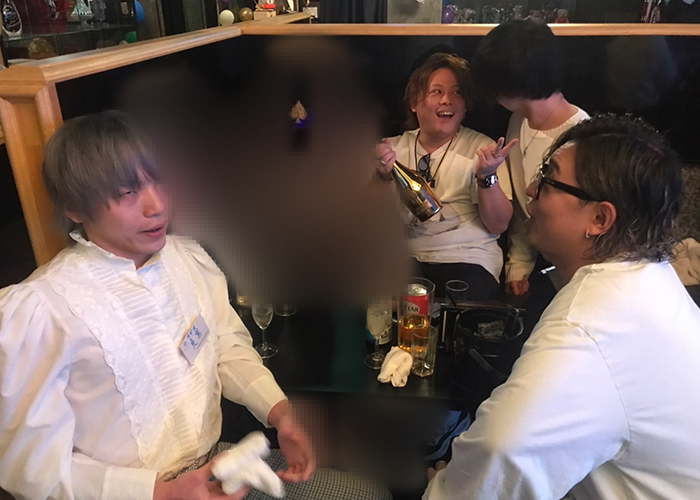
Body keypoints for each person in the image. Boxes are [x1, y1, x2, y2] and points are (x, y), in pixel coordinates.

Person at [0, 111, 390, 500]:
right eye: (127, 192)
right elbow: (33, 468)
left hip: (217, 470)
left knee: (368, 493)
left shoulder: (185, 258)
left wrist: (281, 412)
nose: (156, 206)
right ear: (75, 208)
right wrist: (160, 493)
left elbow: (225, 345)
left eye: (158, 181)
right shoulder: (43, 310)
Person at [422, 114, 700, 500]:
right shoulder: (651, 276)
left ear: (599, 218)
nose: (531, 188)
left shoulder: (586, 330)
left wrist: (444, 485)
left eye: (548, 180)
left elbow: (501, 451)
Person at [376, 52, 515, 300]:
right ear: (414, 102)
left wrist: (487, 177)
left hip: (468, 258)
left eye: (457, 92)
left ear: (466, 105)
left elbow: (499, 225)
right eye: (436, 91)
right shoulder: (389, 149)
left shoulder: (484, 150)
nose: (447, 100)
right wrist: (381, 178)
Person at [471, 19, 589, 301]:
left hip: (576, 272)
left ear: (511, 85)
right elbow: (525, 210)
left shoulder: (581, 136)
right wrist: (518, 265)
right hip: (540, 262)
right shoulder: (518, 121)